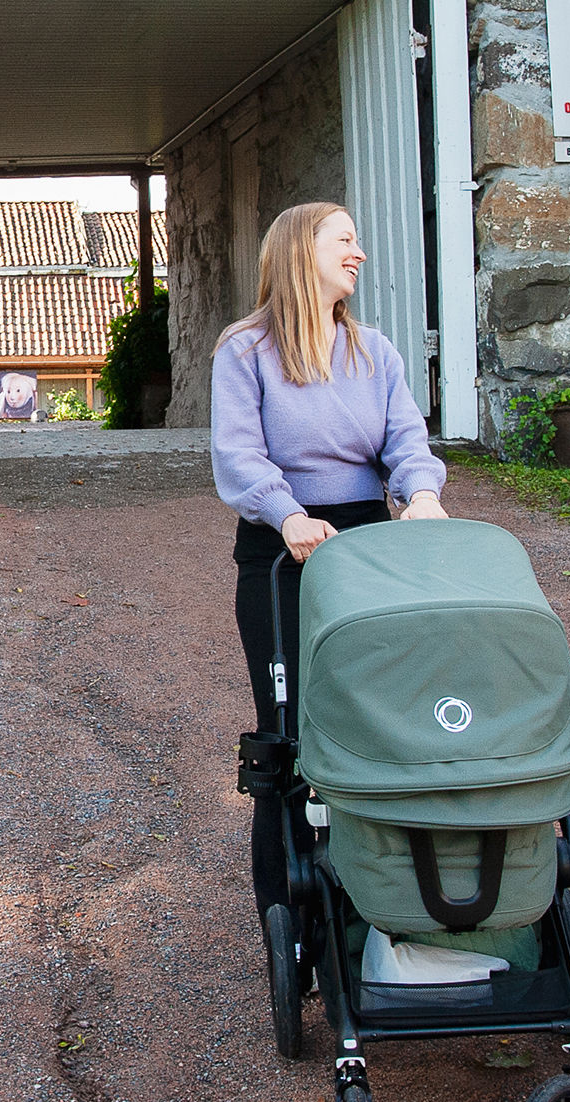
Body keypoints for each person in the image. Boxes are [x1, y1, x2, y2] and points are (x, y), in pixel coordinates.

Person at [212, 201, 449, 922]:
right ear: (298, 250)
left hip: (366, 547)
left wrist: (422, 493)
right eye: (345, 239)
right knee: (286, 732)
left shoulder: (374, 351)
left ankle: (373, 894)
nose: (360, 253)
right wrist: (287, 513)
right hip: (282, 549)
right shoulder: (244, 351)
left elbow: (407, 439)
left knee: (377, 725)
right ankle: (287, 909)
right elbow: (238, 452)